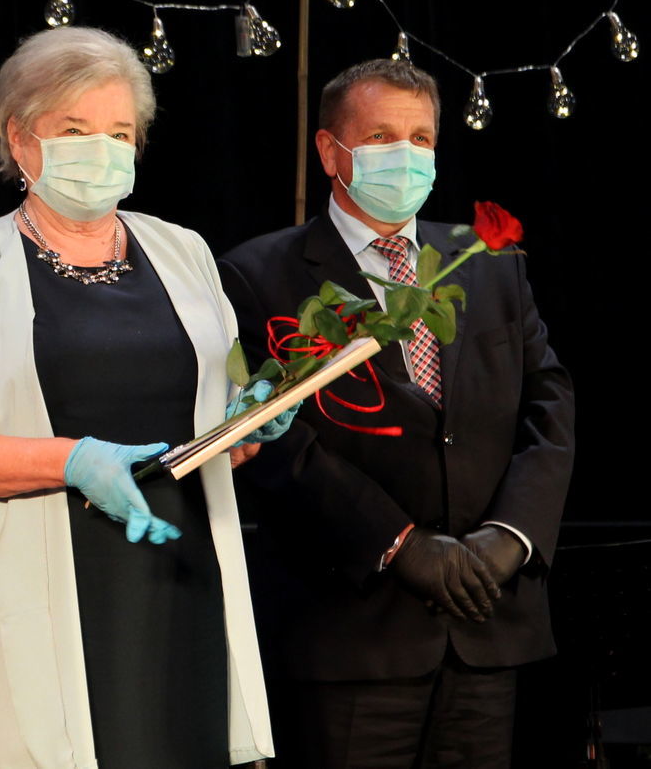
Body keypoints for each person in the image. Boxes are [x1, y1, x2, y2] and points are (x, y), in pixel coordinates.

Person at [0, 26, 290, 768]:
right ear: (20, 139)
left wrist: (251, 424)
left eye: (119, 133)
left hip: (184, 570)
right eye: (76, 130)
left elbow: (215, 427)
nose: (103, 150)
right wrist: (74, 459)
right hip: (61, 577)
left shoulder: (183, 250)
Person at [217, 59, 575, 768]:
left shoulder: (489, 263)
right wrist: (398, 543)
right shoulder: (256, 275)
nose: (405, 155)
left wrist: (511, 538)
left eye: (420, 139)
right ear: (330, 152)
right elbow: (275, 441)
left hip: (486, 618)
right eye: (381, 137)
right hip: (350, 631)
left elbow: (549, 403)